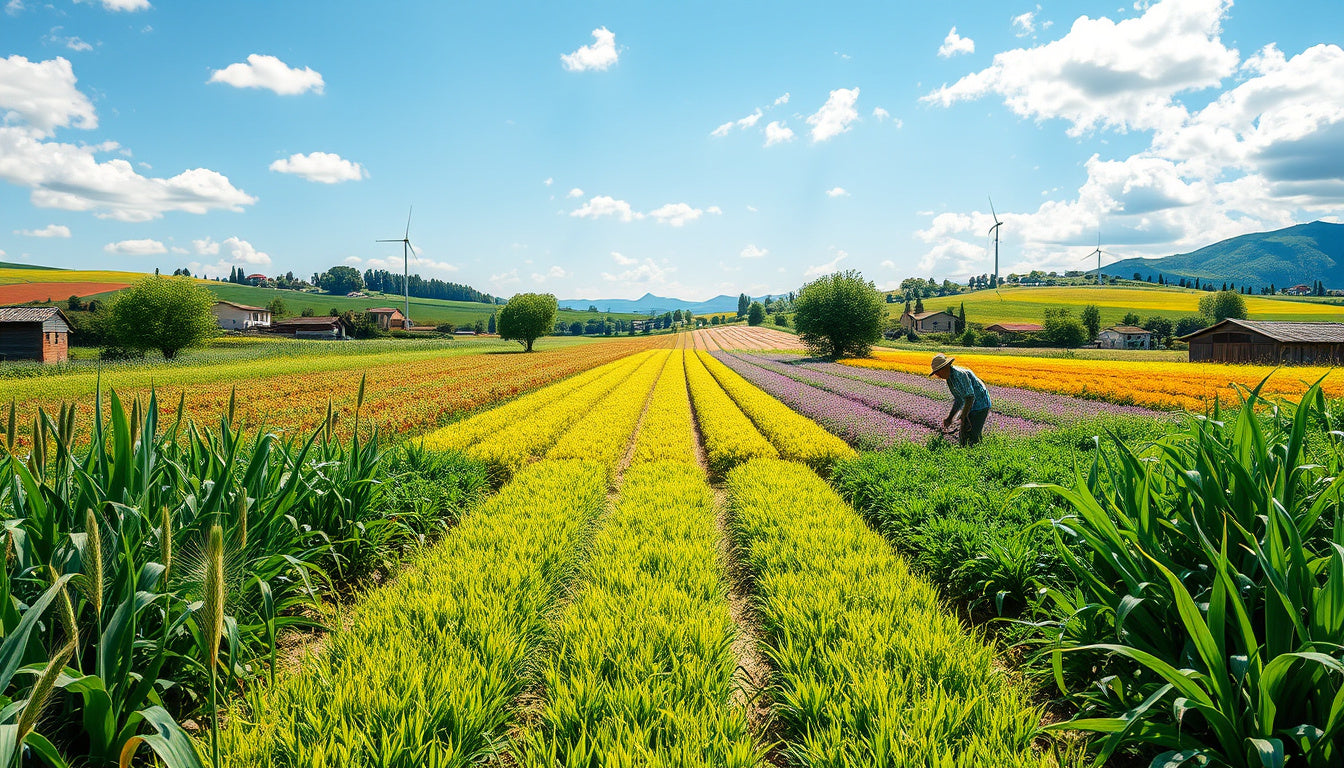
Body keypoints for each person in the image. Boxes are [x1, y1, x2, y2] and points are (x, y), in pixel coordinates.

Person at [929, 353, 991, 446]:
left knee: (973, 435)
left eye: (938, 371)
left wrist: (964, 416)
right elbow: (959, 400)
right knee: (964, 434)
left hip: (981, 404)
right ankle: (967, 451)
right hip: (970, 405)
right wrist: (950, 418)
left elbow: (970, 397)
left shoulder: (960, 375)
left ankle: (978, 455)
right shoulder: (949, 379)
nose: (937, 375)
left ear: (946, 367)